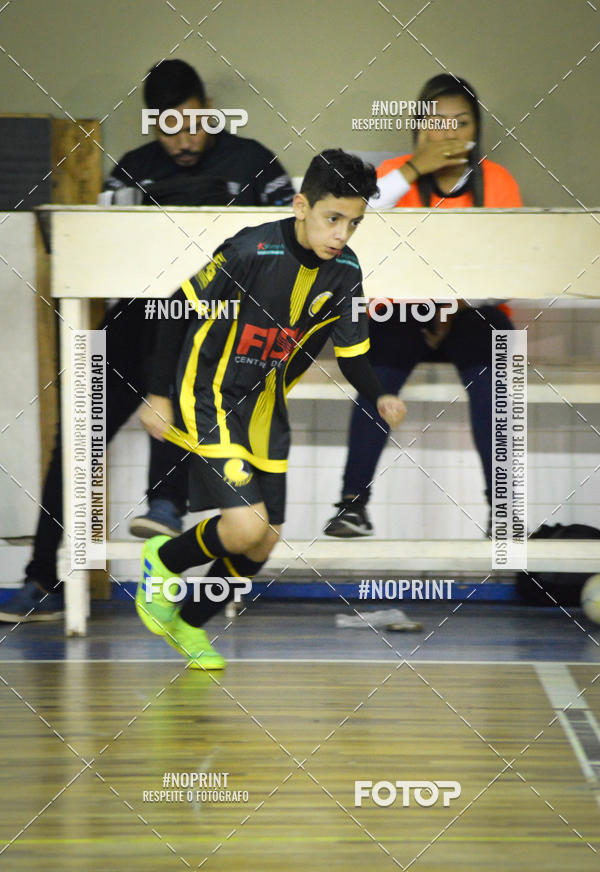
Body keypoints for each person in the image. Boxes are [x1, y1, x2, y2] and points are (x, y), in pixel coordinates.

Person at [0, 59, 295, 624]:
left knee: (189, 331)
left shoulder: (254, 163)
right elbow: (105, 254)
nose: (184, 140)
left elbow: (287, 249)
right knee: (77, 433)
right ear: (150, 124)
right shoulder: (132, 170)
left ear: (210, 112)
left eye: (193, 124)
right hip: (140, 324)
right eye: (168, 128)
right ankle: (44, 577)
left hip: (223, 335)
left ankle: (170, 508)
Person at [135, 149, 407, 669]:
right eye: (333, 219)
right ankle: (162, 560)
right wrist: (158, 394)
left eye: (354, 224)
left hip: (265, 407)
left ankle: (188, 624)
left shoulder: (346, 271)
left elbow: (354, 355)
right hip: (207, 394)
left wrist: (379, 394)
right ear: (302, 205)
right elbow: (173, 309)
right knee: (244, 527)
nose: (342, 235)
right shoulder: (250, 250)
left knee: (265, 541)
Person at [324, 74, 522, 538]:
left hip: (471, 314)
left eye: (461, 121)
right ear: (417, 128)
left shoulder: (495, 180)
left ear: (476, 130)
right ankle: (352, 504)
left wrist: (451, 305)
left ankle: (503, 509)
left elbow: (508, 272)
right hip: (404, 313)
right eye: (437, 122)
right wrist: (414, 168)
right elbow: (356, 220)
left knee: (496, 358)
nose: (450, 132)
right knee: (376, 367)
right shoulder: (395, 175)